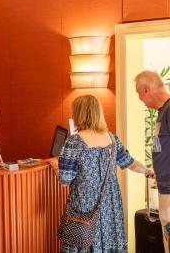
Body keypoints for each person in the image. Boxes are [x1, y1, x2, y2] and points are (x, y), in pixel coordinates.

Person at [58, 95, 154, 253]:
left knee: (81, 240)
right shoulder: (112, 139)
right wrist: (148, 170)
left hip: (84, 204)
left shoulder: (74, 142)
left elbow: (65, 179)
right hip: (110, 203)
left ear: (80, 114)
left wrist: (57, 166)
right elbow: (130, 163)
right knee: (110, 240)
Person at [135, 70, 170, 253]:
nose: (140, 99)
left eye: (138, 93)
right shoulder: (162, 111)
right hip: (165, 187)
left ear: (146, 89)